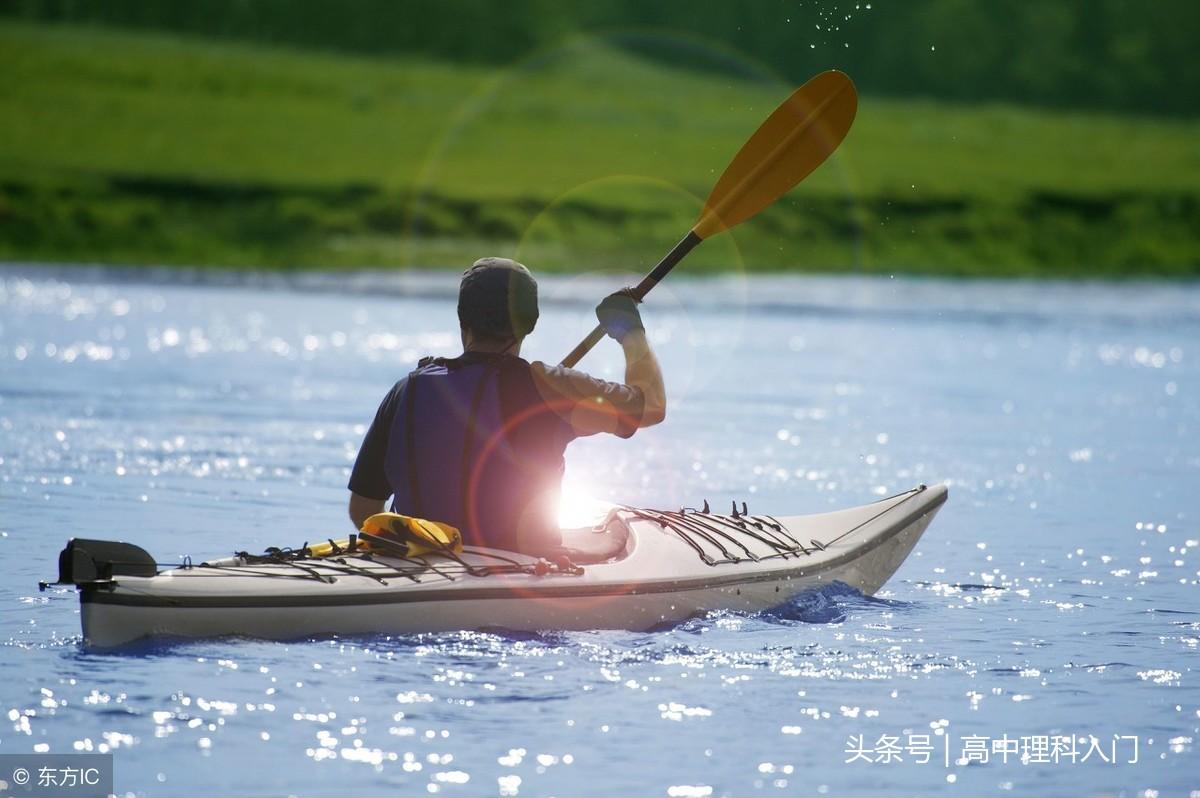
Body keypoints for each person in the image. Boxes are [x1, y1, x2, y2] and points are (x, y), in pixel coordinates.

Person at [347, 257, 666, 554]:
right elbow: (650, 406)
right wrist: (630, 331)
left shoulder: (408, 388)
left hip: (417, 560)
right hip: (523, 565)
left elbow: (362, 509)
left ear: (462, 318)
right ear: (530, 323)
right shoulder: (550, 386)